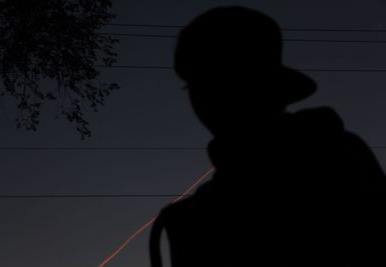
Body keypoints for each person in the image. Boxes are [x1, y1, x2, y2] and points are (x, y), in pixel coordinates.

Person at [150, 6, 386, 267]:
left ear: (266, 85)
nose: (204, 101)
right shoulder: (194, 214)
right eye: (195, 85)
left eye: (226, 79)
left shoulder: (340, 159)